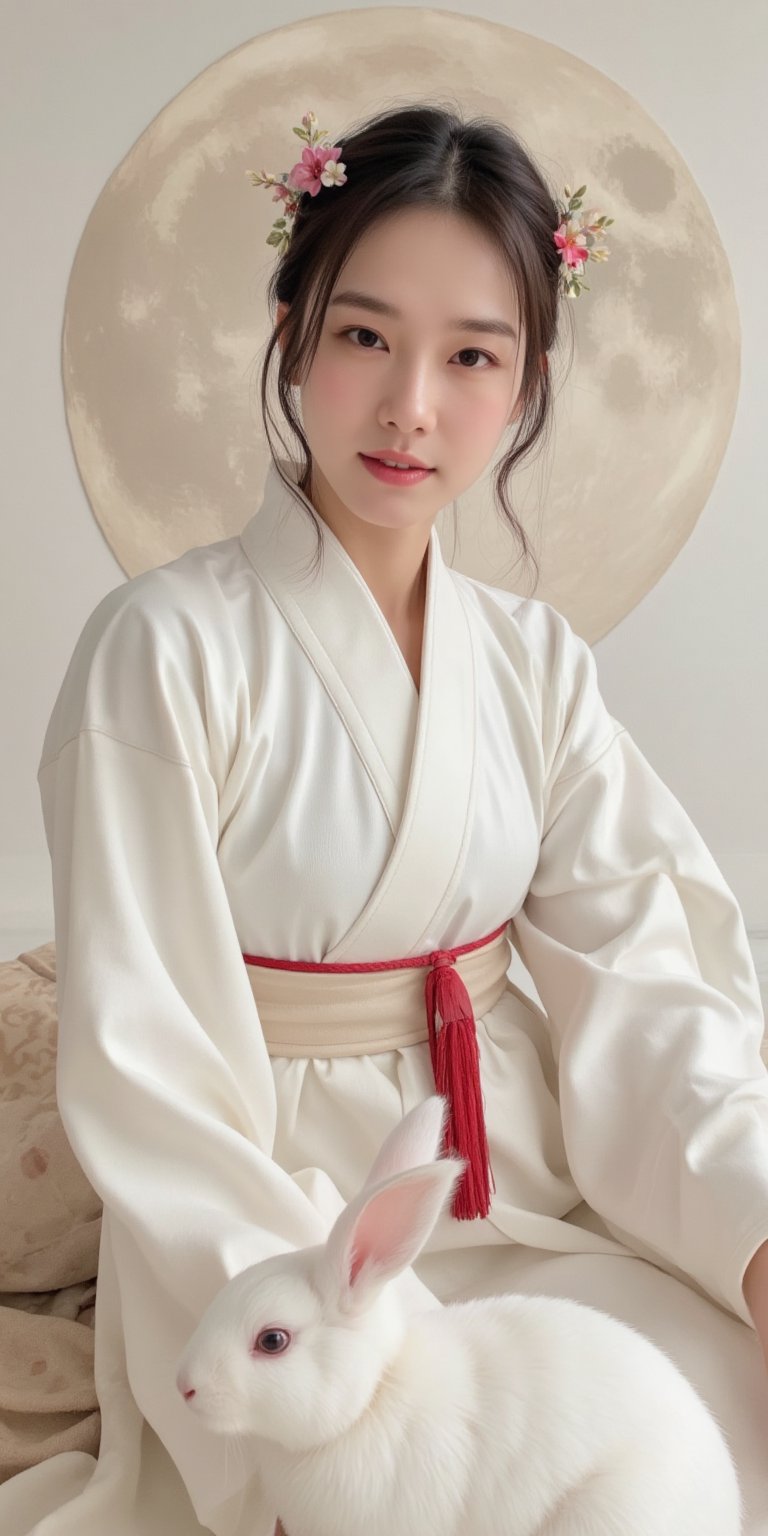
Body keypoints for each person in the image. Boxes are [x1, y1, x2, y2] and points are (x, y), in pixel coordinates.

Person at [2, 102, 767, 1536]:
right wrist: (306, 1323)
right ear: (293, 333)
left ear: (527, 382)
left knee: (710, 1426)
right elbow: (148, 1065)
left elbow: (644, 982)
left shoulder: (536, 668)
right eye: (365, 336)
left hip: (517, 1196)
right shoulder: (159, 653)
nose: (411, 402)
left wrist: (757, 1238)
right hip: (283, 1243)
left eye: (471, 356)